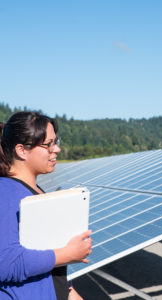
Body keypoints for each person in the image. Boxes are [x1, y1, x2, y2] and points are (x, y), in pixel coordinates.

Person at [0, 111, 92, 300]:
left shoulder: (34, 191)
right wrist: (67, 254)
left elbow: (46, 265)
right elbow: (6, 263)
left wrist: (70, 292)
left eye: (56, 142)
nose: (56, 149)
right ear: (21, 150)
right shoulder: (6, 193)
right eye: (48, 144)